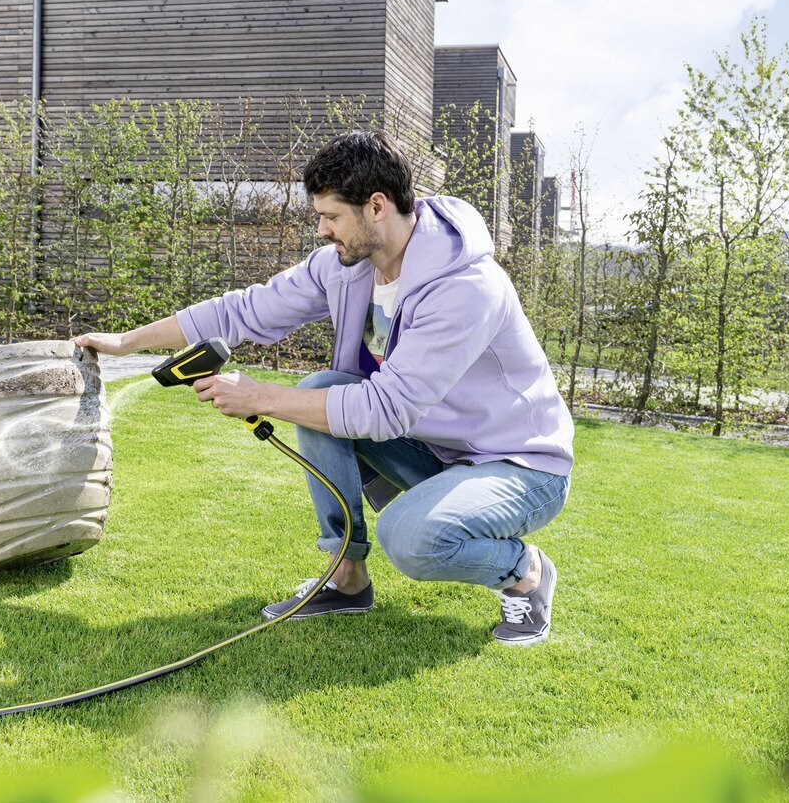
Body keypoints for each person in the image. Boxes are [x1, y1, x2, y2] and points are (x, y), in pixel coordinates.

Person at [73, 130, 573, 646]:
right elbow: (241, 310)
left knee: (409, 538)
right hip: (433, 451)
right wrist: (128, 342)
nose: (322, 229)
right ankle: (346, 579)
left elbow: (384, 410)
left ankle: (526, 570)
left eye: (331, 216)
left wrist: (259, 395)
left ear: (376, 206)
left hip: (518, 465)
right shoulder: (348, 266)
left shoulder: (466, 289)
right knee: (323, 386)